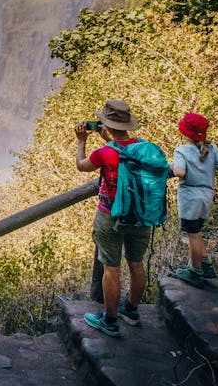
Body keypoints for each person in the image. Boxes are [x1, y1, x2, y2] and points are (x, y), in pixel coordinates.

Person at [74, 99, 153, 337]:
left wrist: (81, 141)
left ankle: (109, 320)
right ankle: (131, 310)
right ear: (128, 125)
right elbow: (124, 153)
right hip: (140, 214)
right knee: (136, 263)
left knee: (112, 268)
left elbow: (82, 165)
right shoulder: (144, 147)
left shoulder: (104, 154)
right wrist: (108, 139)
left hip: (111, 216)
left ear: (106, 124)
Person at [171, 113, 218, 288]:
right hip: (206, 196)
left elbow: (180, 173)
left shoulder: (182, 151)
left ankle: (195, 270)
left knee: (192, 234)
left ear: (186, 133)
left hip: (190, 198)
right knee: (197, 229)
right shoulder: (212, 148)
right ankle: (205, 263)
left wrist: (172, 166)